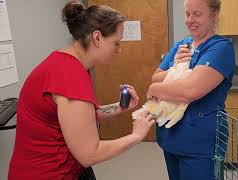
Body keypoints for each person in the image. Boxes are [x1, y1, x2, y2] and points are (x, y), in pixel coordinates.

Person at [8, 1, 155, 179]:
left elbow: (80, 117)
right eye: (116, 43)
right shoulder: (69, 76)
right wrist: (137, 136)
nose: (119, 50)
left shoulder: (68, 62)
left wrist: (120, 107)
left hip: (68, 166)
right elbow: (90, 154)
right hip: (48, 173)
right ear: (97, 38)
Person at [147, 0, 236, 179]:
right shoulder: (183, 45)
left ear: (214, 14)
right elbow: (156, 76)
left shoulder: (220, 48)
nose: (190, 20)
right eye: (187, 14)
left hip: (199, 143)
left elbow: (190, 91)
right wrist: (175, 68)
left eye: (197, 14)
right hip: (171, 137)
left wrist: (155, 88)